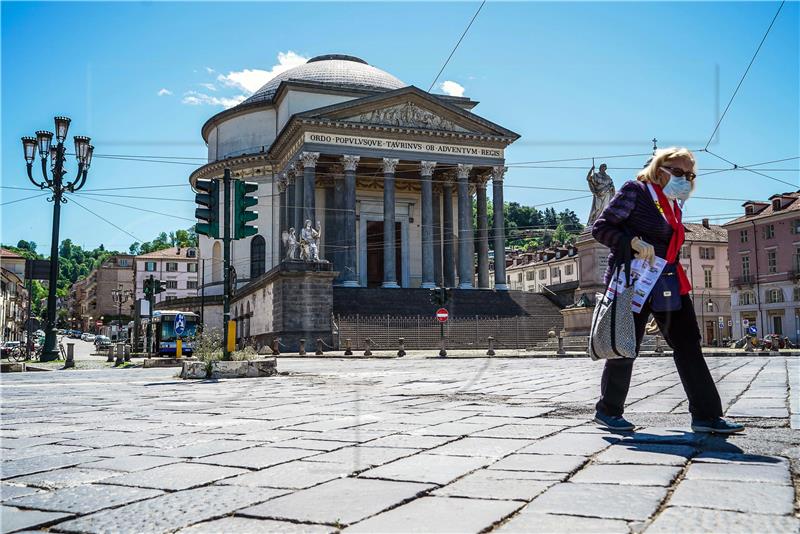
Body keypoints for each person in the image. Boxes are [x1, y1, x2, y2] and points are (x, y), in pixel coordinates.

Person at [591, 147, 743, 434]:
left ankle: (707, 416)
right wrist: (633, 241)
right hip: (632, 281)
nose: (684, 178)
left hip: (668, 281)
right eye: (678, 171)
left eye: (689, 174)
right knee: (625, 345)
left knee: (688, 345)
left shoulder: (673, 202)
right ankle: (608, 411)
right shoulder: (635, 190)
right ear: (658, 169)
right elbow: (602, 228)